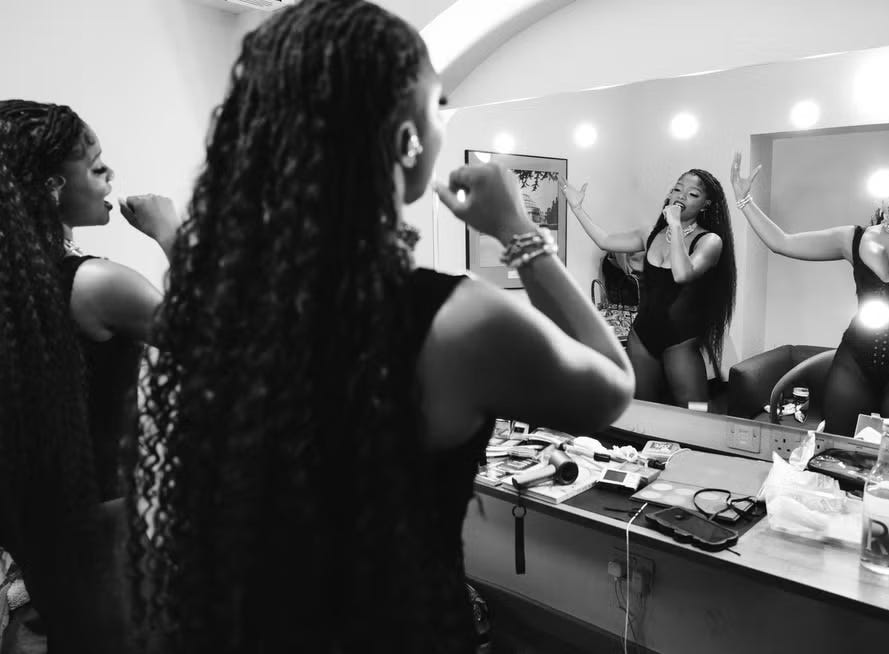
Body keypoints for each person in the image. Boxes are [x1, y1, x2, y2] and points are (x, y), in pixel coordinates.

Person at [125, 2, 634, 653]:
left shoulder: (230, 299)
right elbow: (614, 386)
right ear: (405, 141)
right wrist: (520, 233)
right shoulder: (459, 320)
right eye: (437, 105)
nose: (443, 125)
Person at [0, 100, 177, 652]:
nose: (111, 178)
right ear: (53, 186)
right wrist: (175, 234)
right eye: (98, 166)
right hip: (105, 525)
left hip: (40, 525)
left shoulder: (20, 289)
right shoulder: (98, 285)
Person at [731, 151, 889, 437]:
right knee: (838, 445)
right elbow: (782, 242)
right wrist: (744, 201)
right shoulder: (855, 237)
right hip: (855, 358)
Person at [560, 170, 737, 406]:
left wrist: (674, 225)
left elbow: (682, 273)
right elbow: (605, 240)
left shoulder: (710, 241)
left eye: (692, 193)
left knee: (695, 412)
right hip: (642, 336)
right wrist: (577, 208)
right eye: (677, 189)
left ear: (706, 204)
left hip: (680, 342)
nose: (681, 196)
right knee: (645, 410)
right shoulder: (649, 233)